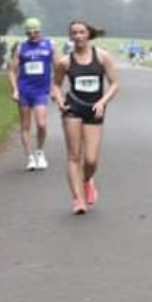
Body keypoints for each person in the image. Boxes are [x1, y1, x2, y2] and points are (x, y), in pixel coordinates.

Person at [51, 20, 120, 215]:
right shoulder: (65, 62)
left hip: (94, 109)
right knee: (74, 156)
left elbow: (115, 83)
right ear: (70, 36)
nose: (78, 36)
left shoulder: (102, 56)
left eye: (82, 32)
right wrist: (59, 99)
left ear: (88, 34)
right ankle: (78, 199)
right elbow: (56, 84)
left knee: (91, 160)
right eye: (74, 33)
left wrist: (103, 102)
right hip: (73, 108)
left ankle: (87, 180)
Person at [8, 17, 54, 171]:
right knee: (25, 125)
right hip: (25, 90)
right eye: (29, 32)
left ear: (40, 31)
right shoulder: (21, 47)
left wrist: (55, 87)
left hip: (41, 90)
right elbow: (12, 71)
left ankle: (40, 152)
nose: (33, 35)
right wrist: (15, 90)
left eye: (35, 32)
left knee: (41, 124)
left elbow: (59, 67)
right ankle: (30, 157)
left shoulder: (49, 45)